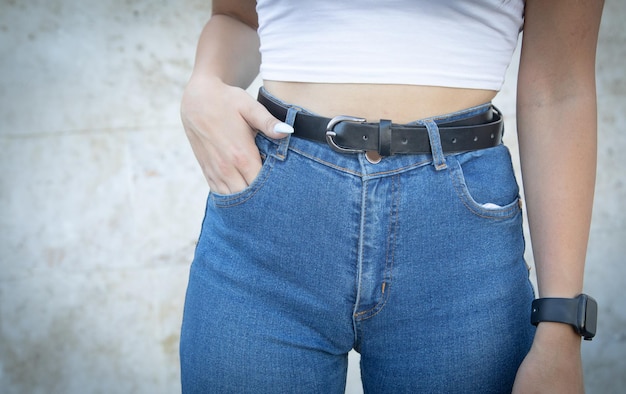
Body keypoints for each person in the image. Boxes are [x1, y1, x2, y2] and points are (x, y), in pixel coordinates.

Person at [179, 0, 604, 392]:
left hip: (457, 239)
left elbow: (560, 86)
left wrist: (561, 327)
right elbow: (237, 17)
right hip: (272, 214)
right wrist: (203, 83)